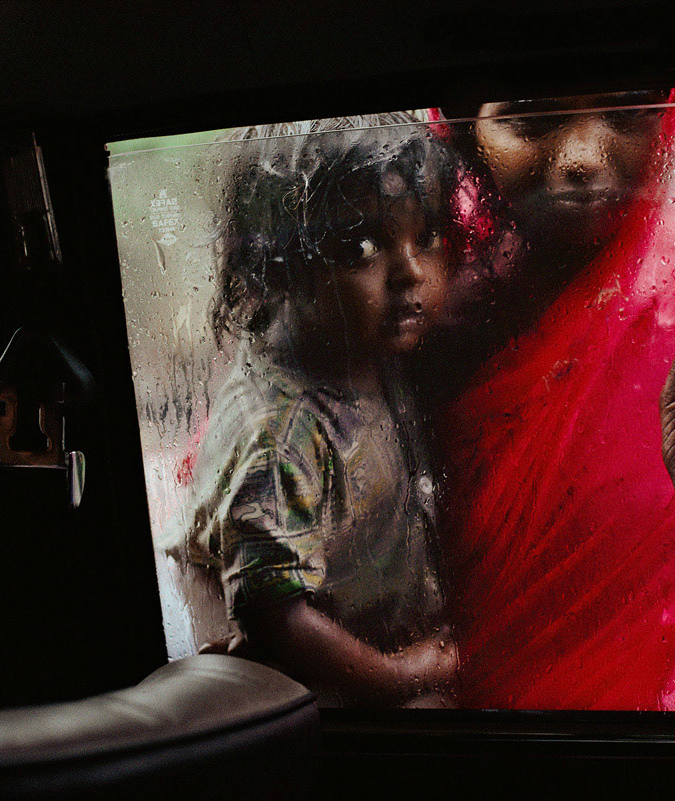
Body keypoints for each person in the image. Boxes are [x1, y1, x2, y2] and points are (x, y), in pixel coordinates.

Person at [421, 89, 675, 710]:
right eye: (530, 119)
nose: (583, 156)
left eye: (628, 113)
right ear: (462, 131)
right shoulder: (406, 292)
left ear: (671, 120)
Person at [169, 115, 459, 707]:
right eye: (361, 248)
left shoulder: (365, 348)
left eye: (427, 235)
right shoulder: (283, 431)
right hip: (328, 711)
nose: (411, 272)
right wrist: (400, 677)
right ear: (275, 266)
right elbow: (274, 617)